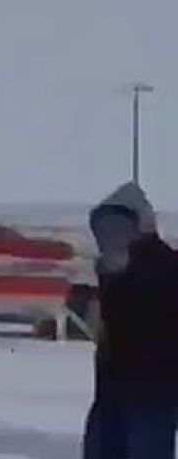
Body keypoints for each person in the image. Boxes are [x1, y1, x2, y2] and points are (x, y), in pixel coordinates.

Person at [83, 182, 178, 459]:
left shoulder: (165, 270)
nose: (111, 237)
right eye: (104, 230)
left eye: (118, 228)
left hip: (152, 400)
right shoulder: (110, 272)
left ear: (141, 227)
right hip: (110, 397)